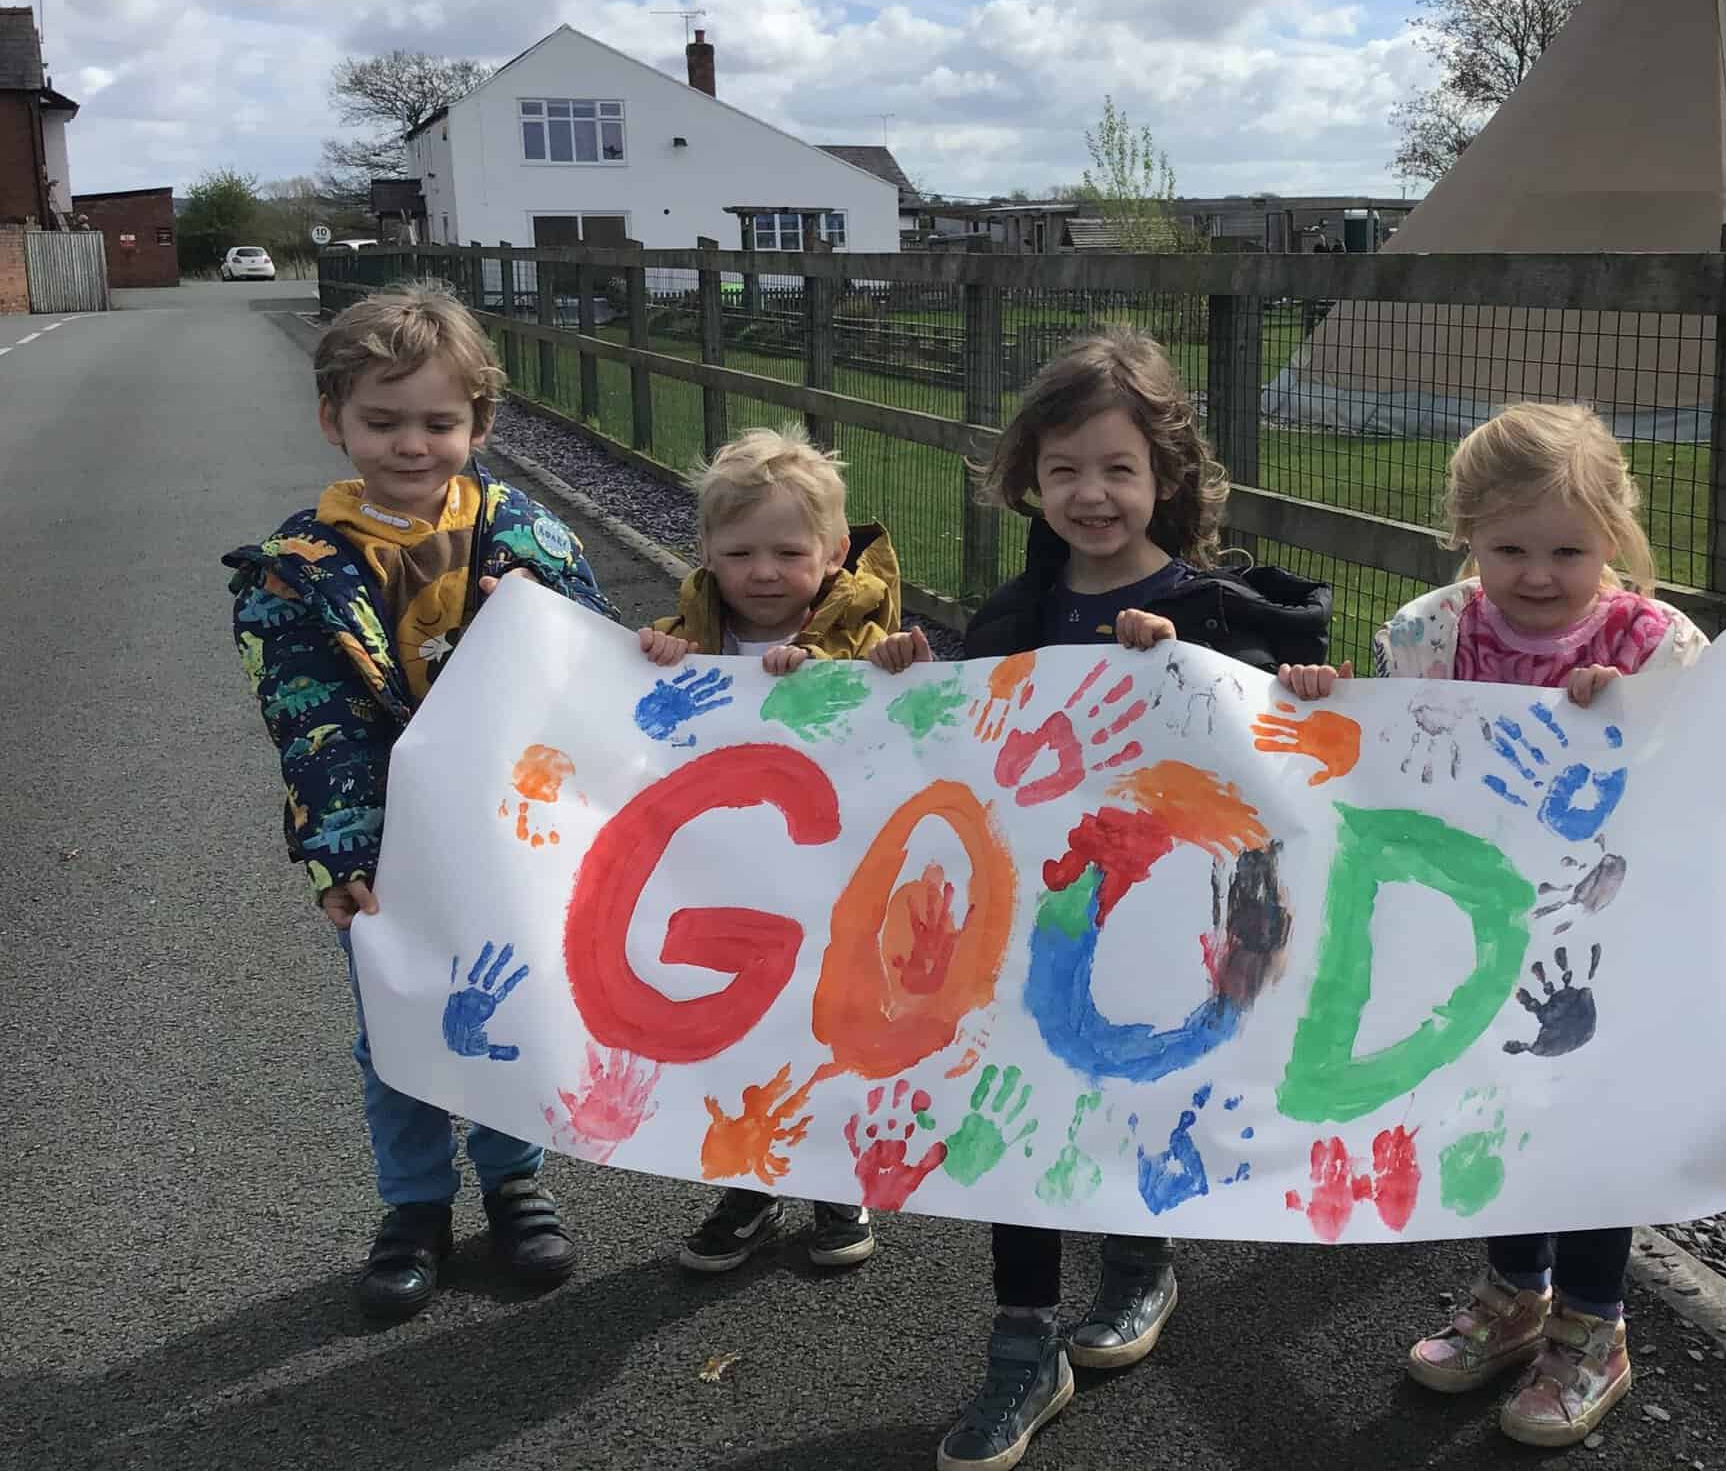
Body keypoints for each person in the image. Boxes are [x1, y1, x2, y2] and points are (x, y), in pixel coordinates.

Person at [870, 327, 1331, 1471]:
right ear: (1029, 476)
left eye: (1118, 469)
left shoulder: (1218, 611)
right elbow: (960, 755)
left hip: (1169, 928)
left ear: (1165, 477)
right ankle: (1024, 1339)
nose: (1092, 494)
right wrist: (898, 689)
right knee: (1012, 1115)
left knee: (1135, 1090)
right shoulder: (1014, 619)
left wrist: (1277, 681)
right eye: (1066, 468)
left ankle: (1139, 1254)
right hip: (1036, 929)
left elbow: (1289, 755)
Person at [1275, 400, 1706, 1449]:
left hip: (1595, 936)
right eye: (1509, 547)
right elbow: (1391, 750)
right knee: (1495, 1108)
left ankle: (1593, 1329)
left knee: (1589, 1124)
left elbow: (1699, 778)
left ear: (1616, 534)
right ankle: (1515, 1294)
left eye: (1570, 549)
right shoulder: (1433, 632)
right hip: (1469, 930)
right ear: (1467, 533)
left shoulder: (1654, 645)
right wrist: (1329, 699)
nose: (1540, 573)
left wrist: (1640, 719)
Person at [223, 281, 616, 1321]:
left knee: (507, 1005)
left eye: (440, 422)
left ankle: (515, 1183)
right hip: (388, 845)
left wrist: (536, 622)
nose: (412, 445)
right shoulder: (296, 570)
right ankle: (414, 1207)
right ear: (334, 420)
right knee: (400, 1026)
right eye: (383, 421)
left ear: (479, 424)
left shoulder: (528, 537)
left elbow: (601, 666)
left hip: (512, 834)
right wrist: (340, 855)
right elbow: (311, 726)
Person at [639, 424, 899, 1276]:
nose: (761, 572)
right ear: (707, 550)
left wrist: (844, 668)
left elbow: (900, 722)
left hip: (830, 883)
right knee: (743, 1034)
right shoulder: (696, 631)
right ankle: (749, 1179)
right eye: (739, 550)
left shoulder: (860, 637)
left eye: (787, 552)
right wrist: (661, 655)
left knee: (825, 1023)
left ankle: (834, 1178)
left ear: (830, 554)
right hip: (732, 883)